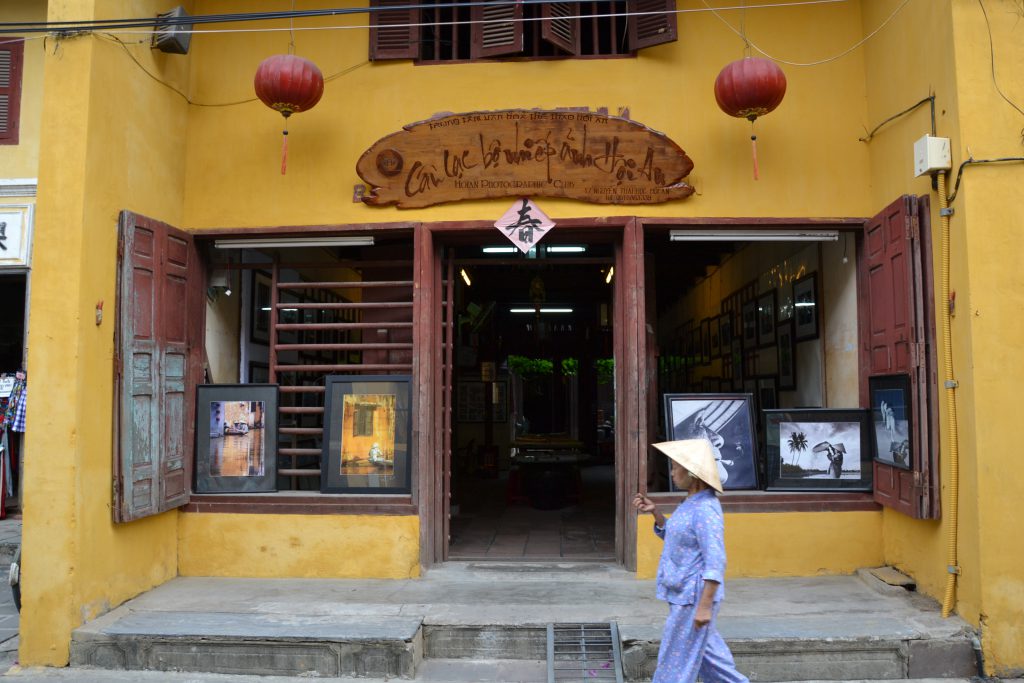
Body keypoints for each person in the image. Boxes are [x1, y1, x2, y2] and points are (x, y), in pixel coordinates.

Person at [632, 439, 748, 683]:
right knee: (712, 660)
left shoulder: (706, 509)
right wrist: (655, 512)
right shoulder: (690, 504)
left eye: (676, 467)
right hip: (683, 593)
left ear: (693, 474)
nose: (672, 472)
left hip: (693, 596)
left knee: (674, 662)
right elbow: (676, 537)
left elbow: (716, 560)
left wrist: (704, 606)